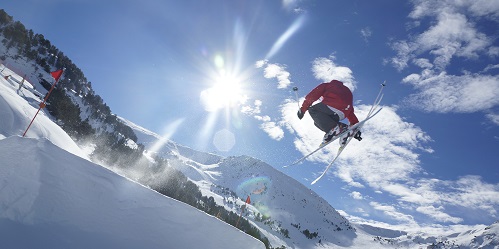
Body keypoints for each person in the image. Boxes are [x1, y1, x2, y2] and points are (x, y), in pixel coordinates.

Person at [297, 79, 361, 145]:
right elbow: (349, 107)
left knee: (313, 110)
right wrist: (355, 126)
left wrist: (303, 109)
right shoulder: (347, 91)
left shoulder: (327, 85)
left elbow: (312, 95)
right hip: (343, 113)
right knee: (318, 122)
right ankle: (343, 130)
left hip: (333, 105)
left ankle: (335, 129)